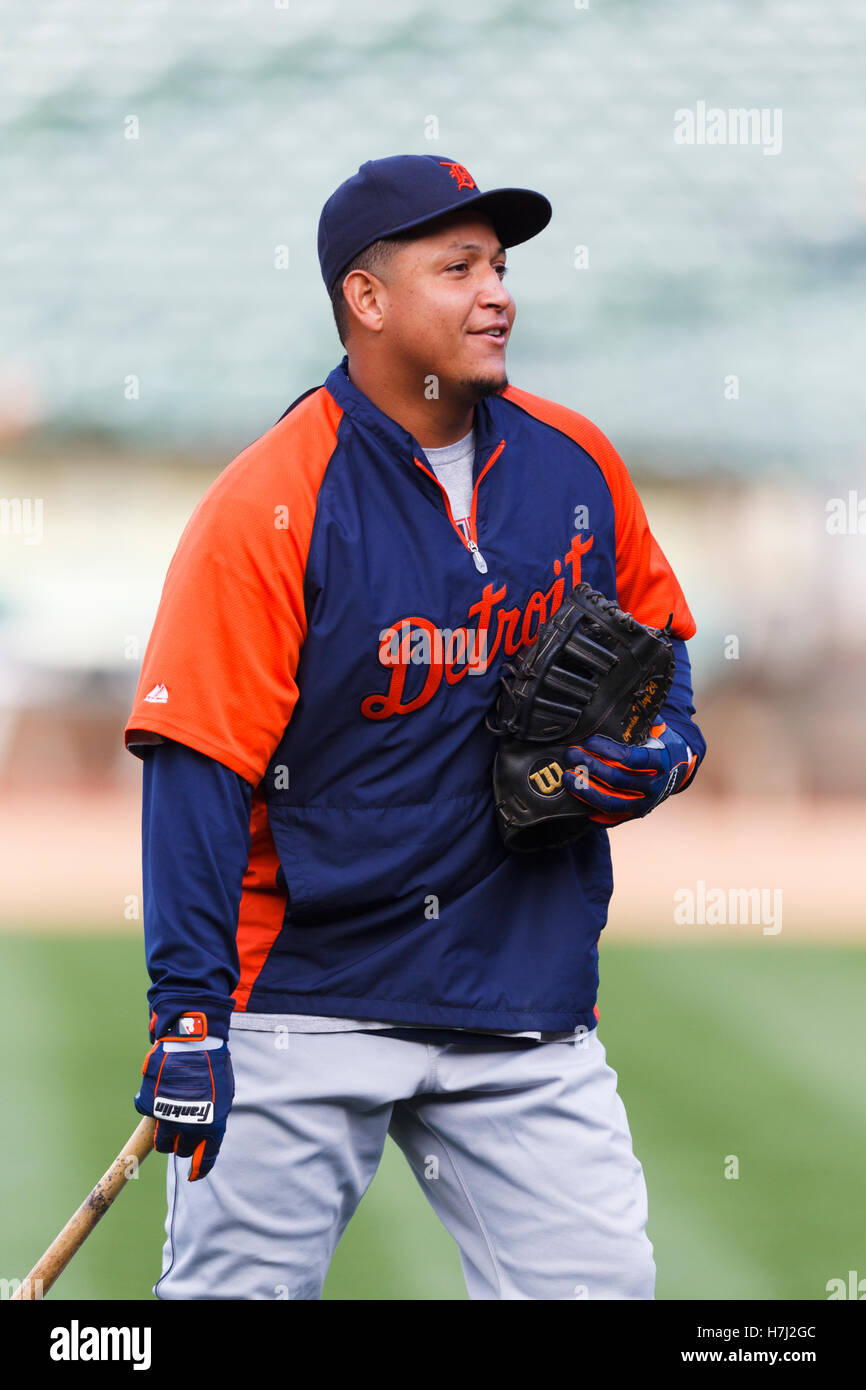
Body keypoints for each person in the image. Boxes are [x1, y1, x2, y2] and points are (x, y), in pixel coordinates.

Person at [126, 154, 706, 1301]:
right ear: (367, 298)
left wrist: (658, 757)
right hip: (302, 993)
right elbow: (198, 765)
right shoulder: (269, 502)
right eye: (457, 267)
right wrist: (185, 1008)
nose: (496, 292)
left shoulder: (574, 463)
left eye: (498, 266)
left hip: (519, 992)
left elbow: (661, 656)